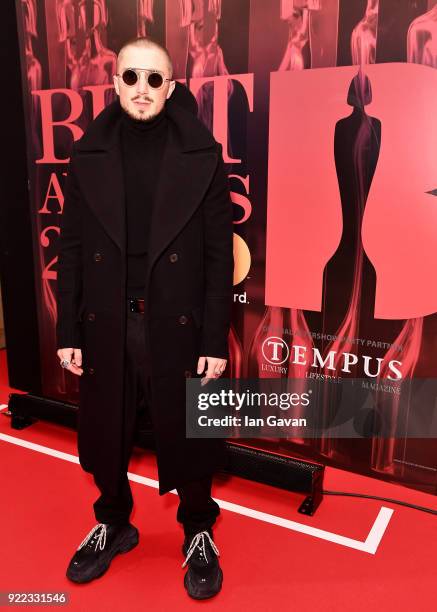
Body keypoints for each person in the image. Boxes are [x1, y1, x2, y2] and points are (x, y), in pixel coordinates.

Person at [55, 35, 234, 600]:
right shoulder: (87, 154)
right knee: (105, 427)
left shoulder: (202, 155)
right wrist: (68, 329)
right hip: (107, 319)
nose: (141, 89)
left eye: (154, 79)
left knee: (189, 429)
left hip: (176, 322)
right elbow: (74, 248)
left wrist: (213, 337)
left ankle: (199, 529)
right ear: (114, 83)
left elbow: (216, 257)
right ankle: (114, 522)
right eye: (130, 77)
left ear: (171, 87)